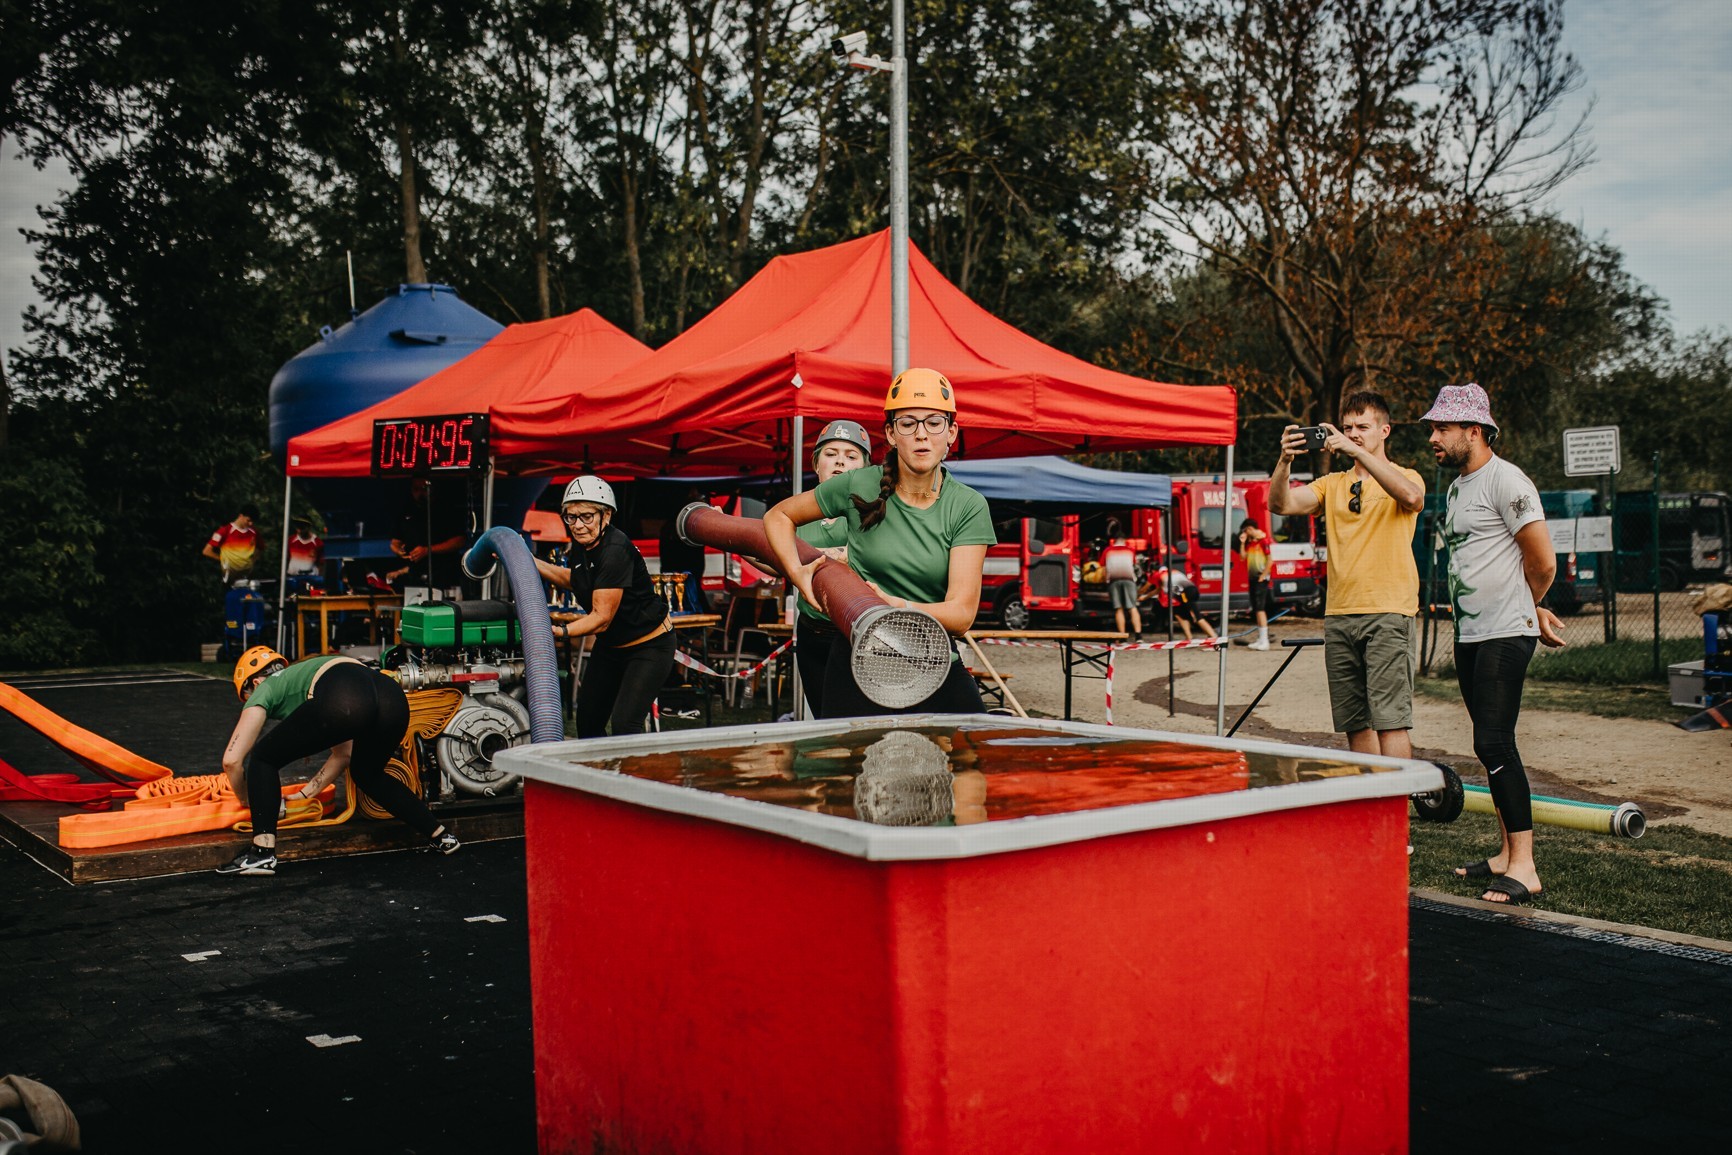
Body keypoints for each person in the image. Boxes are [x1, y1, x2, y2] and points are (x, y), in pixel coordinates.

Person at [764, 368, 996, 718]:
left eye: (934, 423)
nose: (921, 435)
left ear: (951, 433)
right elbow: (778, 516)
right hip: (859, 658)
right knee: (847, 751)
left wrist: (896, 606)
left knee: (969, 748)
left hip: (930, 661)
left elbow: (961, 614)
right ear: (891, 433)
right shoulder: (857, 484)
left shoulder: (967, 506)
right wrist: (798, 573)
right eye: (908, 423)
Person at [1424, 382, 1565, 906]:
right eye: (1433, 428)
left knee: (1494, 742)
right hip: (1472, 633)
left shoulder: (1508, 480)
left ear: (1475, 430)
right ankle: (1506, 854)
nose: (1433, 437)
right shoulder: (1458, 488)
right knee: (1490, 745)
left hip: (1506, 631)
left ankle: (1525, 867)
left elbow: (1542, 561)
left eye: (1442, 428)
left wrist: (1530, 606)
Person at [1270, 391, 1426, 755]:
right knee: (1356, 723)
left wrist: (1358, 453)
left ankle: (1396, 795)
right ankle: (1368, 793)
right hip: (1339, 615)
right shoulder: (1332, 484)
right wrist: (1284, 460)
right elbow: (1280, 504)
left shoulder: (1406, 476)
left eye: (1362, 427)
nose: (1353, 434)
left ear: (1385, 431)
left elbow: (1412, 498)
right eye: (1347, 427)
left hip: (1388, 612)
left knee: (1390, 721)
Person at [217, 645, 459, 876]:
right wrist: (305, 795)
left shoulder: (267, 686)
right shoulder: (306, 677)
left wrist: (247, 799)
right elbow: (344, 754)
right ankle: (440, 835)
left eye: (246, 698)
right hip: (391, 698)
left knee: (263, 758)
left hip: (347, 695)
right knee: (368, 774)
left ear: (255, 683)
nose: (250, 702)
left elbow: (231, 760)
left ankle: (261, 853)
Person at [533, 475, 677, 738]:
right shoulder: (584, 543)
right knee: (588, 722)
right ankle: (600, 765)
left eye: (586, 516)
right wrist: (531, 562)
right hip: (612, 646)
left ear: (606, 516)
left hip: (648, 646)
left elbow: (602, 617)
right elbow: (576, 580)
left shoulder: (614, 551)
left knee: (625, 725)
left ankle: (637, 766)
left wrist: (561, 632)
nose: (578, 525)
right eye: (571, 517)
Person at [792, 419, 873, 718]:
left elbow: (856, 558)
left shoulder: (874, 512)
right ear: (816, 464)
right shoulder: (794, 512)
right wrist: (728, 533)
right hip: (811, 632)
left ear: (865, 469)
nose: (840, 461)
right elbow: (771, 558)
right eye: (831, 453)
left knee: (855, 722)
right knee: (823, 719)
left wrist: (792, 554)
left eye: (851, 456)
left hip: (856, 636)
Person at [389, 478, 468, 594]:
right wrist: (398, 550)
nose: (420, 493)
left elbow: (459, 541)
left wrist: (428, 550)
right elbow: (395, 542)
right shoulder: (406, 511)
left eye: (424, 489)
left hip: (444, 574)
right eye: (416, 489)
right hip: (414, 575)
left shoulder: (446, 510)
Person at [1099, 523, 1142, 640]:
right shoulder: (1130, 550)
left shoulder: (1107, 550)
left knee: (1118, 608)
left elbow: (1103, 568)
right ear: (1125, 540)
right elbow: (1134, 565)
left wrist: (1105, 581)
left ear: (1113, 540)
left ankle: (1122, 636)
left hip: (1114, 581)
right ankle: (1138, 636)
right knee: (1132, 607)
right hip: (1129, 580)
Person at [1234, 521, 1272, 650]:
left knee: (1260, 609)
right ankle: (1261, 639)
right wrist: (1242, 543)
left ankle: (1265, 640)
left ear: (1250, 529)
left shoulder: (1263, 541)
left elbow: (1270, 560)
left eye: (1245, 530)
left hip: (1260, 578)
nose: (1244, 533)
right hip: (1253, 578)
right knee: (1256, 609)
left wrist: (1263, 575)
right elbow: (1242, 557)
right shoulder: (1251, 543)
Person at [204, 503, 260, 584]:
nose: (250, 524)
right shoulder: (225, 531)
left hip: (246, 578)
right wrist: (224, 560)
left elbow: (259, 549)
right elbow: (207, 551)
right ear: (241, 516)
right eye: (248, 520)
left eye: (252, 522)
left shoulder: (253, 533)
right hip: (227, 578)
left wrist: (251, 561)